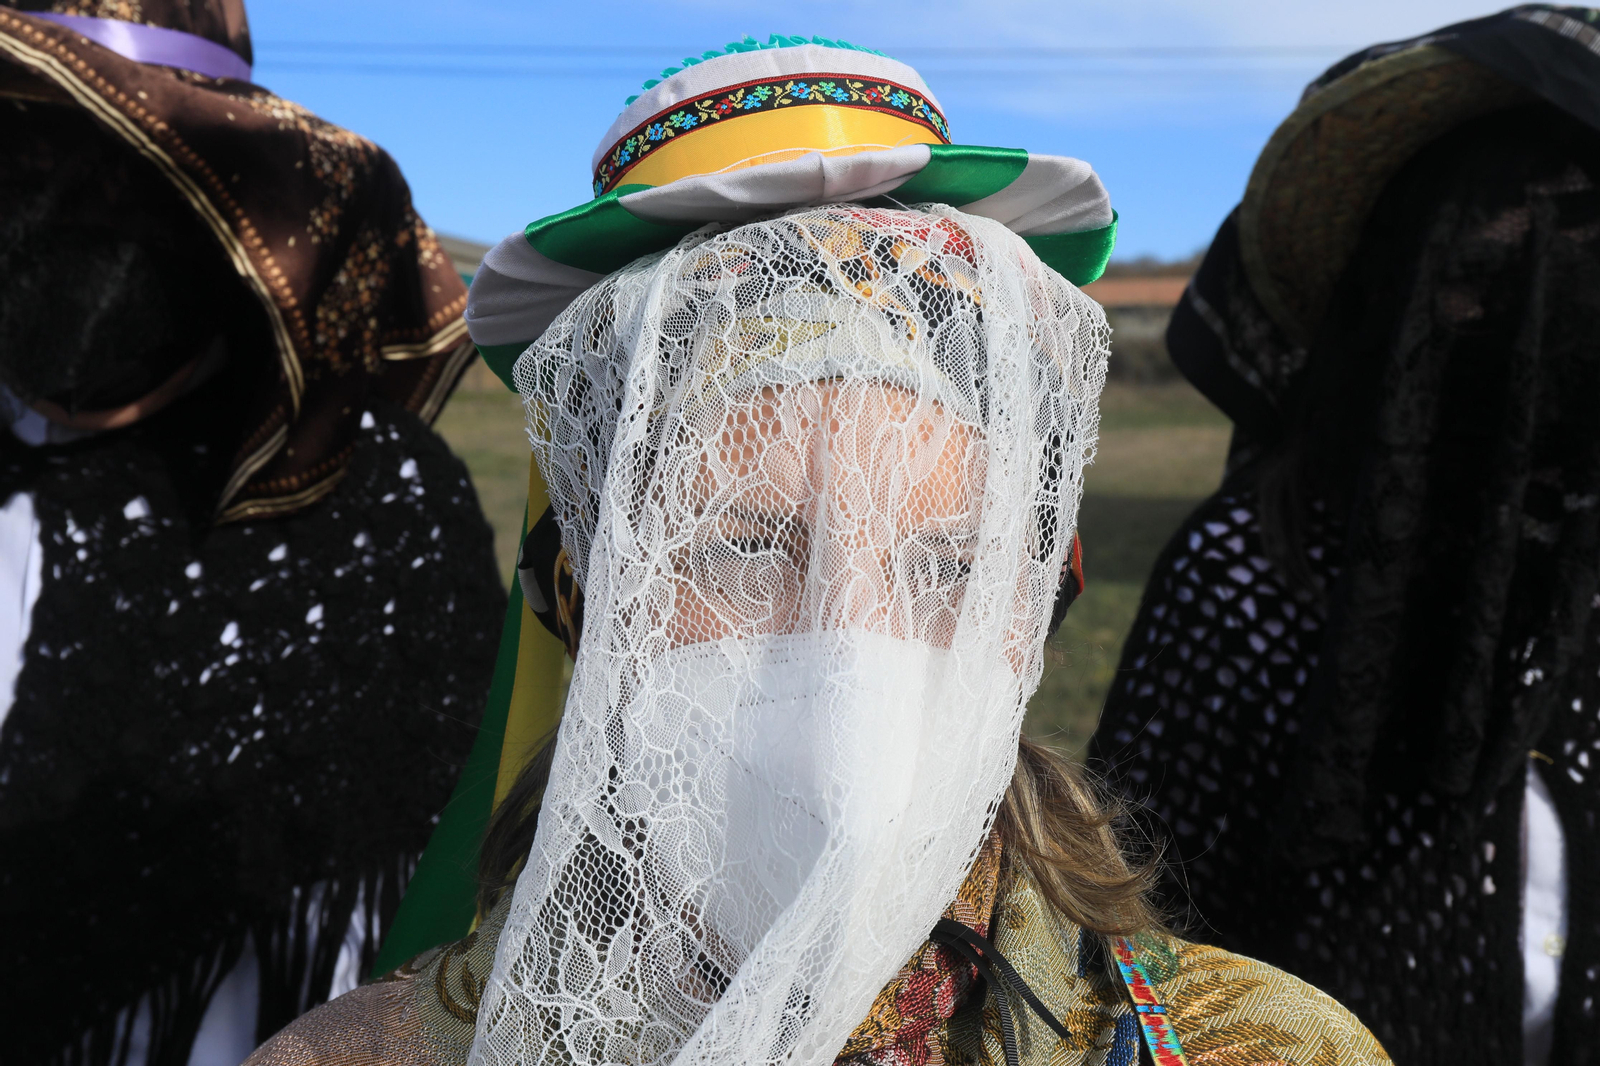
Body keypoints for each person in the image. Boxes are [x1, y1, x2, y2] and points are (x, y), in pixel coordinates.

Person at [249, 37, 1390, 1066]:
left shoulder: (1265, 1050)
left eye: (944, 563)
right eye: (746, 547)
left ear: (1031, 598)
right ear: (591, 597)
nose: (851, 650)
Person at [1089, 7, 1600, 1064]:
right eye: (1480, 281)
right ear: (1400, 302)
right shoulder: (1252, 579)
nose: (1524, 338)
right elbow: (1135, 958)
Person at [0, 3, 505, 1063]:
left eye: (126, 160)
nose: (74, 203)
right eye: (32, 144)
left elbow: (447, 904)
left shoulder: (382, 506)